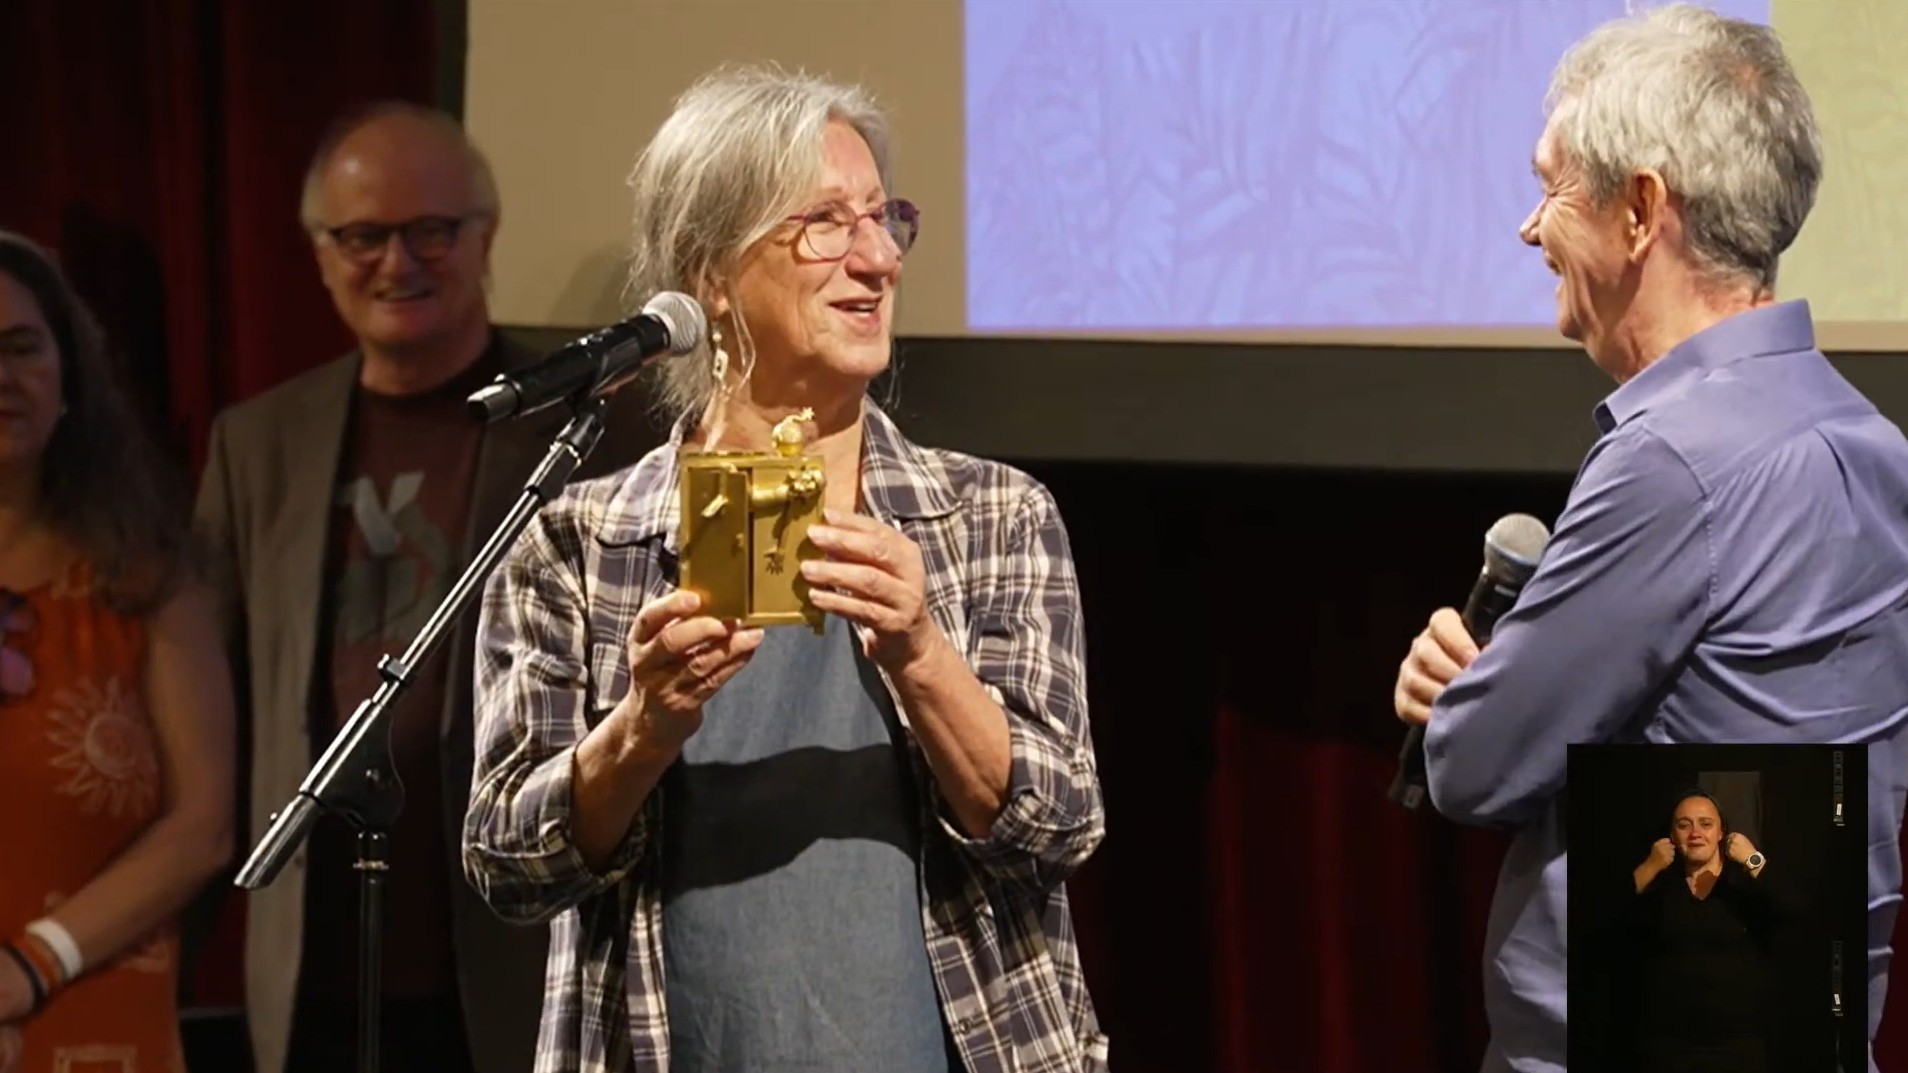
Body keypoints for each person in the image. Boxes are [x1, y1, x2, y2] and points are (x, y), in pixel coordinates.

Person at [463, 64, 1108, 1073]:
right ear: (710, 275)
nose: (879, 257)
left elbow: (1058, 825)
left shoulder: (991, 516)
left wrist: (921, 650)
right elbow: (508, 861)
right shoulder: (579, 540)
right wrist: (641, 729)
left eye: (885, 218)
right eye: (824, 223)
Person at [1388, 5, 1908, 1072]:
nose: (1532, 231)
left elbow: (1479, 765)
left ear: (1640, 211)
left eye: (1552, 187)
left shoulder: (1671, 463)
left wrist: (1459, 702)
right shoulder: (1868, 439)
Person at [193, 101, 655, 1073]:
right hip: (315, 951)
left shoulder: (589, 430)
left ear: (484, 237)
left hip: (507, 950)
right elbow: (218, 683)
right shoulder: (258, 442)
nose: (397, 263)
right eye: (363, 235)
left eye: (430, 231)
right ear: (320, 251)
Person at [0, 232, 236, 1070]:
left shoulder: (154, 580)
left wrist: (31, 963)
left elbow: (204, 826)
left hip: (94, 1019)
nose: (1, 375)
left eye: (21, 347)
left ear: (69, 376)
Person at [1620, 792, 1785, 1073]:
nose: (1695, 833)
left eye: (1705, 824)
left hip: (1738, 1050)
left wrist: (1753, 859)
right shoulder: (1661, 889)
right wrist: (1650, 867)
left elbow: (1797, 911)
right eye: (1684, 825)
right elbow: (1602, 920)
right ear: (1672, 835)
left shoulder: (1742, 885)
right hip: (1668, 1050)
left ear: (1722, 832)